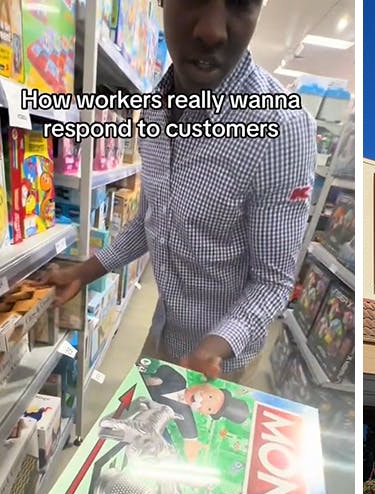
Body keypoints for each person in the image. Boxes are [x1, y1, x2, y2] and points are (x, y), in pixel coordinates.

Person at [46, 0, 316, 383]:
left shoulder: (282, 129)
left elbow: (272, 281)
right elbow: (151, 219)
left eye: (241, 3)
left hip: (220, 363)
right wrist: (84, 272)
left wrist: (215, 345)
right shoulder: (155, 107)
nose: (212, 30)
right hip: (162, 333)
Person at [143, 362, 249, 462]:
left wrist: (192, 445)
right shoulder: (179, 381)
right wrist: (156, 379)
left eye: (209, 409)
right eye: (210, 396)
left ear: (204, 413)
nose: (203, 402)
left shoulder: (184, 413)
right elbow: (165, 370)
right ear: (208, 387)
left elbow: (190, 433)